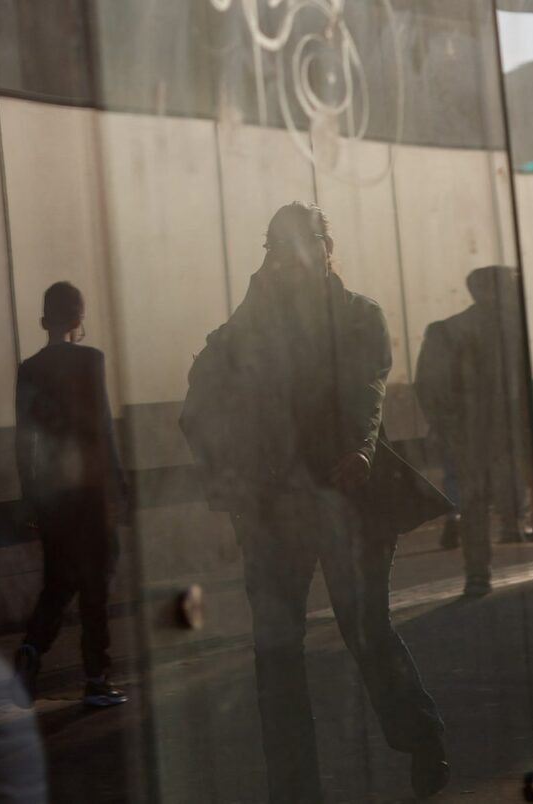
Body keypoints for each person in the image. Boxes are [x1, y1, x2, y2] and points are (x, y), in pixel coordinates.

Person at [181, 203, 449, 802]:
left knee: (366, 630)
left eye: (307, 246)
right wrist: (230, 480)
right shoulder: (254, 320)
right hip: (275, 509)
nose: (297, 260)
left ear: (329, 248)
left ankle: (421, 734)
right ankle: (293, 788)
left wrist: (359, 451)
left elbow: (366, 388)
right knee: (275, 649)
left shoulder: (359, 316)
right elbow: (204, 390)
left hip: (348, 497)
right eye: (281, 249)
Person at [9, 281, 127, 709]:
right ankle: (96, 678)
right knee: (96, 580)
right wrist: (118, 487)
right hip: (92, 491)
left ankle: (32, 649)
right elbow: (103, 430)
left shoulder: (29, 369)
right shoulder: (91, 361)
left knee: (58, 581)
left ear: (44, 320)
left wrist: (30, 496)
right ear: (80, 319)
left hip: (52, 494)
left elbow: (26, 441)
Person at [415, 265, 533, 597]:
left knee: (474, 503)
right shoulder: (512, 332)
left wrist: (446, 425)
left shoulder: (449, 330)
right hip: (496, 433)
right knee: (487, 499)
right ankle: (492, 556)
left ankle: (478, 573)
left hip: (474, 434)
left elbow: (428, 385)